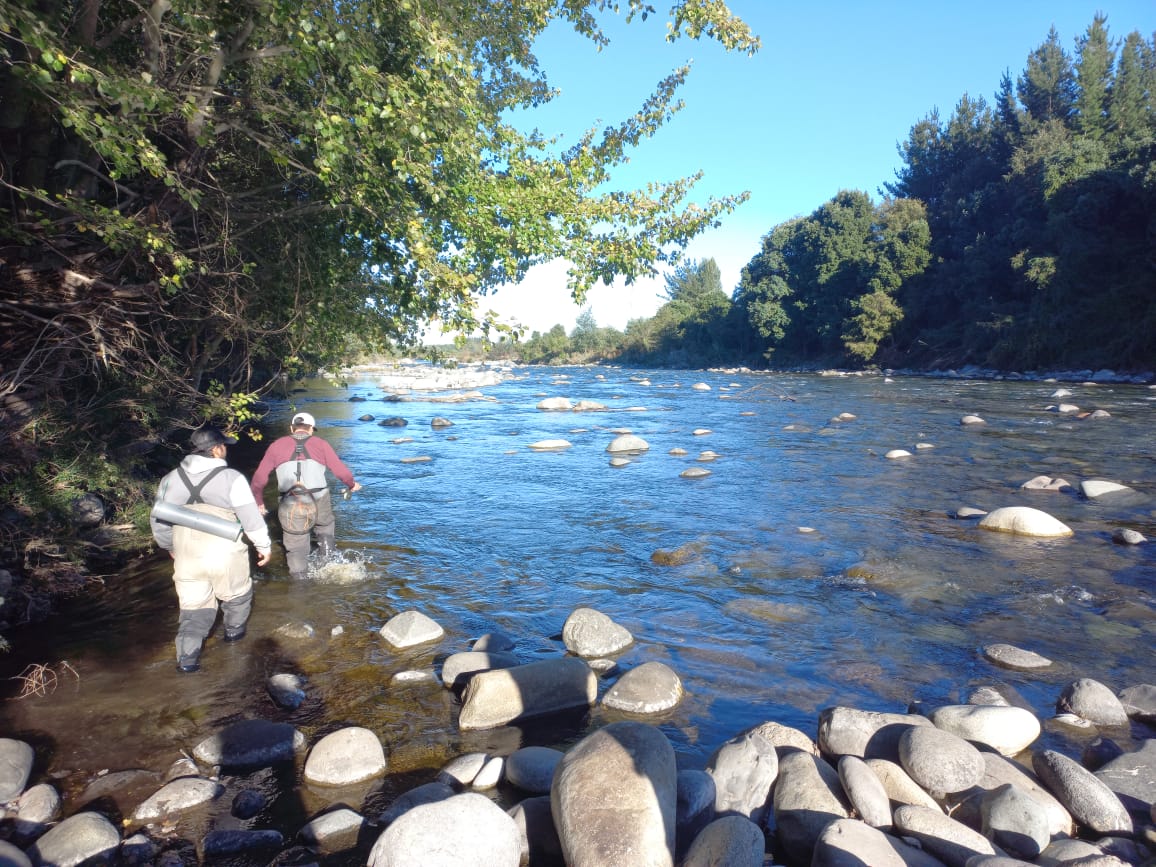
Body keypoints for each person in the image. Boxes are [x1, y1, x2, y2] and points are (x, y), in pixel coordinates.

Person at [150, 426, 271, 673]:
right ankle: (234, 642)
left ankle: (187, 664)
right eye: (224, 445)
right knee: (237, 597)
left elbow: (158, 521)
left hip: (187, 555)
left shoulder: (169, 480)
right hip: (225, 553)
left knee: (193, 611)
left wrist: (170, 546)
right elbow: (250, 519)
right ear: (216, 449)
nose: (226, 449)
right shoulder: (232, 478)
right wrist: (263, 546)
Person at [250, 411, 361, 580]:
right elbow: (340, 471)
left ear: (291, 428)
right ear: (311, 429)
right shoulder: (321, 444)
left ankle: (300, 584)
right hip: (319, 498)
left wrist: (259, 501)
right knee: (325, 528)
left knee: (296, 544)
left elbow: (258, 479)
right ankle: (328, 565)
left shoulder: (276, 446)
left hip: (291, 501)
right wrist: (351, 484)